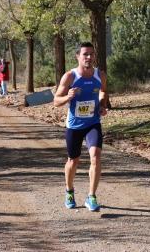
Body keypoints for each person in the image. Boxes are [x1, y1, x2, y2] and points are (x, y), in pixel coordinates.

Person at [54, 42, 107, 212]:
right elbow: (56, 101)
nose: (89, 57)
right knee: (73, 160)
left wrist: (101, 104)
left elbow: (103, 91)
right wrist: (68, 97)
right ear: (78, 56)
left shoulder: (100, 75)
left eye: (91, 54)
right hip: (74, 126)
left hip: (93, 123)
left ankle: (91, 197)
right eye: (85, 54)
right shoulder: (70, 76)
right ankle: (69, 191)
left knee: (96, 157)